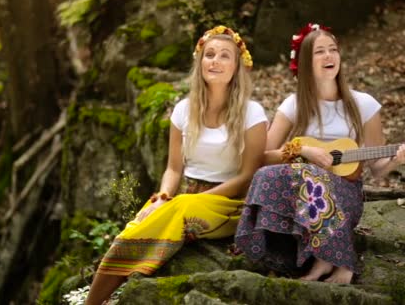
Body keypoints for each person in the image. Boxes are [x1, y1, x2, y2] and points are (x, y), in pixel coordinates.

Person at [85, 25, 268, 304]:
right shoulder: (183, 109)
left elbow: (248, 176)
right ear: (200, 62)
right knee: (136, 226)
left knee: (181, 209)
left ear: (237, 66)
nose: (215, 61)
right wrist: (162, 198)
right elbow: (173, 169)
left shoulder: (252, 113)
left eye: (224, 56)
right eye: (209, 55)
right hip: (183, 196)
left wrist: (192, 201)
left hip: (229, 203)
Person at [234, 23, 405, 284]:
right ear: (306, 62)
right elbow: (263, 155)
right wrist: (303, 149)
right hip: (302, 192)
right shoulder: (294, 104)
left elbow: (376, 168)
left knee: (310, 176)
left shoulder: (364, 105)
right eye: (320, 52)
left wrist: (396, 160)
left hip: (345, 194)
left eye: (333, 49)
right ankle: (304, 256)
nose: (329, 56)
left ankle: (340, 265)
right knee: (268, 175)